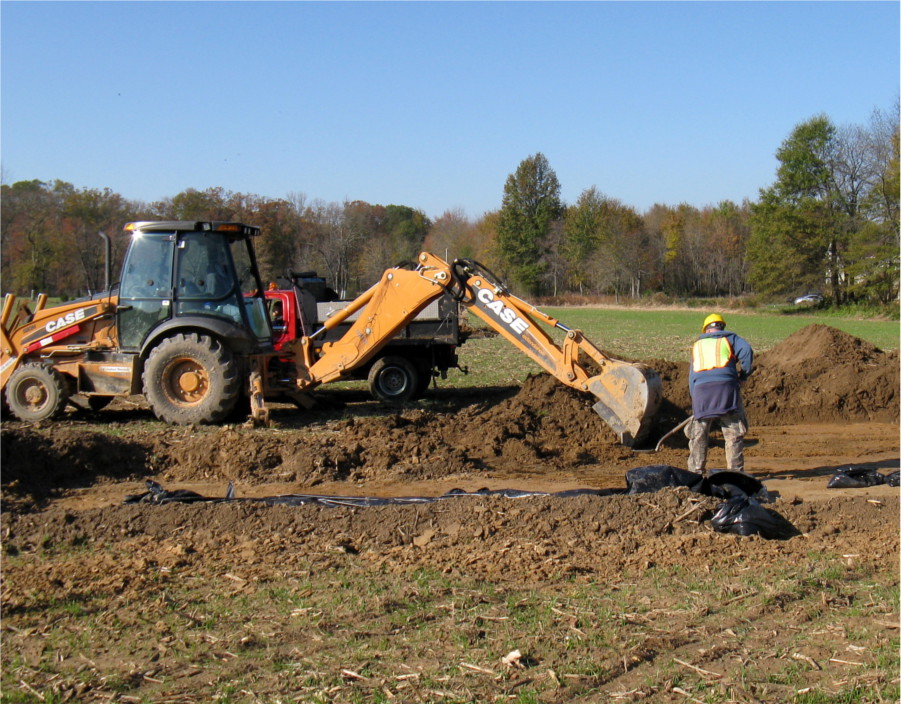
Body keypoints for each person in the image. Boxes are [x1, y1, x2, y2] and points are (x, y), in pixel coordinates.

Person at [685, 313, 754, 474]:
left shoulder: (697, 345)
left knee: (699, 432)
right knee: (732, 432)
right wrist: (743, 376)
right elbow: (747, 352)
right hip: (726, 389)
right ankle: (735, 472)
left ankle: (695, 472)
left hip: (701, 391)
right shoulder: (730, 339)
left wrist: (695, 400)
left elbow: (692, 376)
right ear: (721, 327)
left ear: (706, 330)